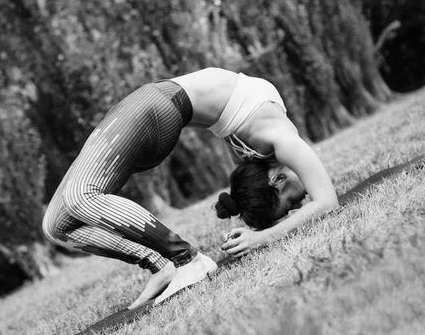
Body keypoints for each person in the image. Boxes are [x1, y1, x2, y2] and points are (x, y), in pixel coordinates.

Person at [42, 67, 338, 308]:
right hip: (153, 109)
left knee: (79, 199)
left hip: (154, 110)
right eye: (293, 204)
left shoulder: (263, 148)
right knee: (56, 224)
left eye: (292, 207)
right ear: (277, 180)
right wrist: (263, 236)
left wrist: (259, 234)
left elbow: (320, 202)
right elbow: (326, 201)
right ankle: (164, 264)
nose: (299, 205)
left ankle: (185, 259)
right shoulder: (283, 140)